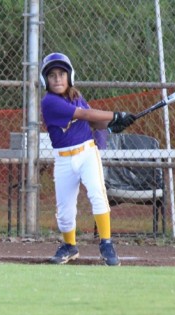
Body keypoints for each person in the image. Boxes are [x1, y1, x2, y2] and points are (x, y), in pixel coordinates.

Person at [40, 52, 136, 266]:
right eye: (52, 75)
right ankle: (70, 246)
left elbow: (93, 122)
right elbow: (84, 115)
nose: (57, 79)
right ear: (45, 80)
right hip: (64, 159)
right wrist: (115, 115)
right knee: (65, 210)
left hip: (86, 153)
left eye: (62, 74)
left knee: (97, 194)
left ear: (70, 76)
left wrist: (112, 124)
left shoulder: (76, 97)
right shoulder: (49, 102)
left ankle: (106, 243)